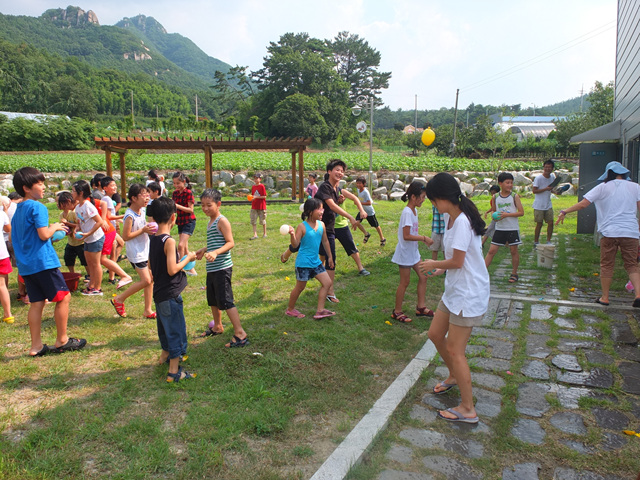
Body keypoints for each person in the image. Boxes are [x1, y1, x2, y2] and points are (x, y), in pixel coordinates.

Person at [419, 172, 489, 424]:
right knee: (435, 335)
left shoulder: (461, 222)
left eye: (433, 201)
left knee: (455, 349)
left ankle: (468, 409)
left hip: (467, 294)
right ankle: (452, 375)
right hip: (455, 290)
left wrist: (433, 262)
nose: (433, 206)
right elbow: (459, 260)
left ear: (442, 198)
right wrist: (441, 268)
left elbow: (459, 261)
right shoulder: (453, 217)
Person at [12, 167, 86, 356]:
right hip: (43, 262)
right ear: (26, 188)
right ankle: (62, 340)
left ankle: (36, 346)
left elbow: (21, 238)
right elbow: (44, 234)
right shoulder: (38, 207)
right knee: (64, 297)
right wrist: (54, 227)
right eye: (40, 183)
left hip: (26, 265)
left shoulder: (18, 209)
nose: (44, 187)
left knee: (37, 302)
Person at [556, 161, 640, 307]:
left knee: (607, 265)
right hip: (630, 232)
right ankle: (638, 294)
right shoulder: (635, 187)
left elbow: (583, 204)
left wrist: (564, 211)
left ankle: (605, 298)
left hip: (609, 232)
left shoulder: (602, 187)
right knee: (632, 265)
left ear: (608, 173)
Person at [147, 196, 197, 382]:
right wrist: (187, 258)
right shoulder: (169, 241)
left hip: (159, 294)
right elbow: (172, 269)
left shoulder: (153, 238)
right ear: (173, 218)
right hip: (170, 294)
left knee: (164, 327)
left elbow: (150, 265)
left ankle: (164, 357)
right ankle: (174, 371)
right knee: (175, 330)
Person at [195, 189, 249, 347]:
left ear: (218, 204)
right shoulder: (211, 221)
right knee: (212, 300)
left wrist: (216, 252)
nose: (205, 208)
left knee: (226, 301)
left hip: (222, 268)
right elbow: (216, 241)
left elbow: (230, 242)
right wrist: (205, 249)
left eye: (209, 205)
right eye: (202, 205)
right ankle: (217, 326)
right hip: (212, 268)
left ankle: (240, 333)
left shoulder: (221, 221)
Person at [314, 160, 368, 304]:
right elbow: (330, 205)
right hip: (320, 228)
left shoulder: (336, 188)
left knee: (329, 258)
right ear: (329, 171)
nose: (340, 173)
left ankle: (327, 288)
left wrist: (339, 202)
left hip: (329, 227)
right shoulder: (325, 187)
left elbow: (331, 205)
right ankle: (329, 291)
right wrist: (350, 216)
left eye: (342, 171)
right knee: (327, 258)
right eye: (337, 169)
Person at [391, 181, 434, 323]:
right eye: (421, 197)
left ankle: (420, 307)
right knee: (405, 282)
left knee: (423, 276)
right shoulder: (407, 212)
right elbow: (406, 235)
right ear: (413, 197)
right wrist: (423, 238)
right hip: (405, 253)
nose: (423, 200)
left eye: (424, 197)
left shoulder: (414, 211)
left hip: (413, 253)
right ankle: (397, 312)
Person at [110, 184, 156, 319]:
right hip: (136, 253)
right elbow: (125, 237)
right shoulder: (129, 215)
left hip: (145, 250)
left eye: (147, 194)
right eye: (143, 195)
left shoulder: (142, 211)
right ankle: (119, 299)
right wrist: (143, 230)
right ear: (134, 198)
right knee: (146, 280)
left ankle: (148, 310)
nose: (147, 197)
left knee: (150, 279)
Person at [285, 198, 335, 320]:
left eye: (322, 208)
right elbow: (296, 244)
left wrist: (330, 257)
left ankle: (320, 310)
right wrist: (292, 235)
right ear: (310, 211)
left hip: (316, 261)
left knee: (327, 283)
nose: (322, 211)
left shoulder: (322, 224)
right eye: (319, 209)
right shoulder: (302, 226)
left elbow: (325, 241)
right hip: (303, 263)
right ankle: (290, 309)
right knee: (300, 287)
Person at [484, 172, 524, 283]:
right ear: (500, 183)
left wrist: (507, 215)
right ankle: (482, 273)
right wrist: (494, 216)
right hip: (500, 228)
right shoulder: (495, 197)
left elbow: (521, 212)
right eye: (507, 183)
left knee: (513, 251)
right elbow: (493, 210)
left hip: (512, 228)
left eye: (511, 183)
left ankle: (514, 273)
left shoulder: (514, 196)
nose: (510, 185)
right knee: (491, 251)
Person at [73, 180, 107, 295]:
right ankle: (91, 285)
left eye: (73, 191)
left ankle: (97, 288)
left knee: (96, 263)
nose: (72, 193)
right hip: (87, 238)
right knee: (90, 263)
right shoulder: (78, 207)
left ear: (80, 193)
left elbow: (99, 222)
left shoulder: (88, 206)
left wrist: (88, 233)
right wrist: (77, 229)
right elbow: (80, 222)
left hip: (95, 238)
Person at [172, 171, 197, 276]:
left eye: (178, 183)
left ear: (184, 182)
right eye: (174, 183)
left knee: (181, 245)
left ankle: (180, 270)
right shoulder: (175, 193)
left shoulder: (188, 193)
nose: (176, 185)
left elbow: (191, 210)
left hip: (189, 221)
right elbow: (173, 209)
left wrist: (177, 206)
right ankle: (192, 271)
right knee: (185, 248)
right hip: (180, 221)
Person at [57, 192, 87, 276]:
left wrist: (68, 223)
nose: (57, 205)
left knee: (84, 260)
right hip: (71, 242)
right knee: (68, 258)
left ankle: (89, 275)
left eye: (59, 203)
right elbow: (66, 229)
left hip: (80, 242)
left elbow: (80, 225)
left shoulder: (73, 213)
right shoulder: (61, 215)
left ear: (67, 202)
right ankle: (72, 274)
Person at [354, 177, 386, 247]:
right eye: (357, 183)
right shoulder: (358, 190)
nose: (358, 185)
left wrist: (359, 203)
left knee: (376, 226)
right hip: (362, 211)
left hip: (369, 212)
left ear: (364, 184)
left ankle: (382, 239)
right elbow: (359, 198)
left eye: (360, 183)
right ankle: (366, 234)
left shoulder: (366, 192)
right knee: (356, 222)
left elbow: (369, 203)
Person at [532, 159, 556, 246]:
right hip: (538, 205)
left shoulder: (552, 177)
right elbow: (534, 191)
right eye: (546, 167)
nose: (547, 169)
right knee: (539, 224)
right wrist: (546, 188)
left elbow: (552, 188)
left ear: (552, 168)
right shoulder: (538, 178)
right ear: (543, 168)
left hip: (548, 204)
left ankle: (548, 241)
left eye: (549, 167)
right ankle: (536, 242)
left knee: (551, 223)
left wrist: (555, 192)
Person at [0, 202, 13, 324]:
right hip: (1, 253)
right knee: (2, 285)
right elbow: (8, 229)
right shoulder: (2, 214)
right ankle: (8, 315)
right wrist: (5, 212)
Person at [250, 173, 267, 239]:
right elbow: (252, 195)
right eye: (255, 178)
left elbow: (264, 196)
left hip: (261, 206)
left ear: (260, 179)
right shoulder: (253, 187)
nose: (255, 180)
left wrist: (256, 197)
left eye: (257, 178)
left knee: (262, 220)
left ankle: (265, 233)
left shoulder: (262, 186)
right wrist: (251, 198)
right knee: (253, 220)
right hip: (254, 206)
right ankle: (255, 234)